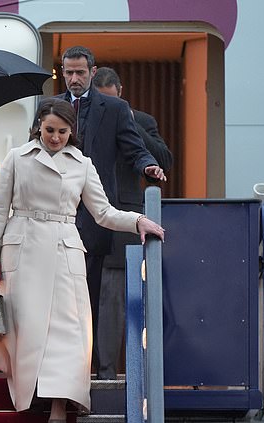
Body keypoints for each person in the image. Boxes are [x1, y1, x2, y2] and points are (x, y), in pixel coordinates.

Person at [0, 98, 165, 421]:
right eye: (50, 130)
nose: (55, 137)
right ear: (39, 125)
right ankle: (33, 395)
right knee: (26, 329)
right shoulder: (16, 158)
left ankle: (58, 405)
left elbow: (104, 212)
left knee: (68, 332)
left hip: (64, 248)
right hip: (22, 249)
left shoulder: (82, 163)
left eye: (62, 131)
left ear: (72, 131)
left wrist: (137, 221)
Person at [44, 46, 166, 378]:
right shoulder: (50, 107)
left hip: (96, 218)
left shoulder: (114, 108)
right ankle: (57, 367)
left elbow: (133, 147)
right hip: (55, 217)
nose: (73, 78)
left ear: (92, 72)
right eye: (68, 72)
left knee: (92, 298)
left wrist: (148, 166)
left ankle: (91, 367)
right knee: (57, 298)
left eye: (80, 72)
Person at [92, 66, 173, 379]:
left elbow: (164, 160)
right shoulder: (81, 118)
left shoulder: (142, 121)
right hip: (86, 221)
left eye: (113, 101)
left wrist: (124, 121)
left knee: (117, 300)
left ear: (121, 94)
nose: (107, 107)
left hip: (124, 223)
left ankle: (110, 372)